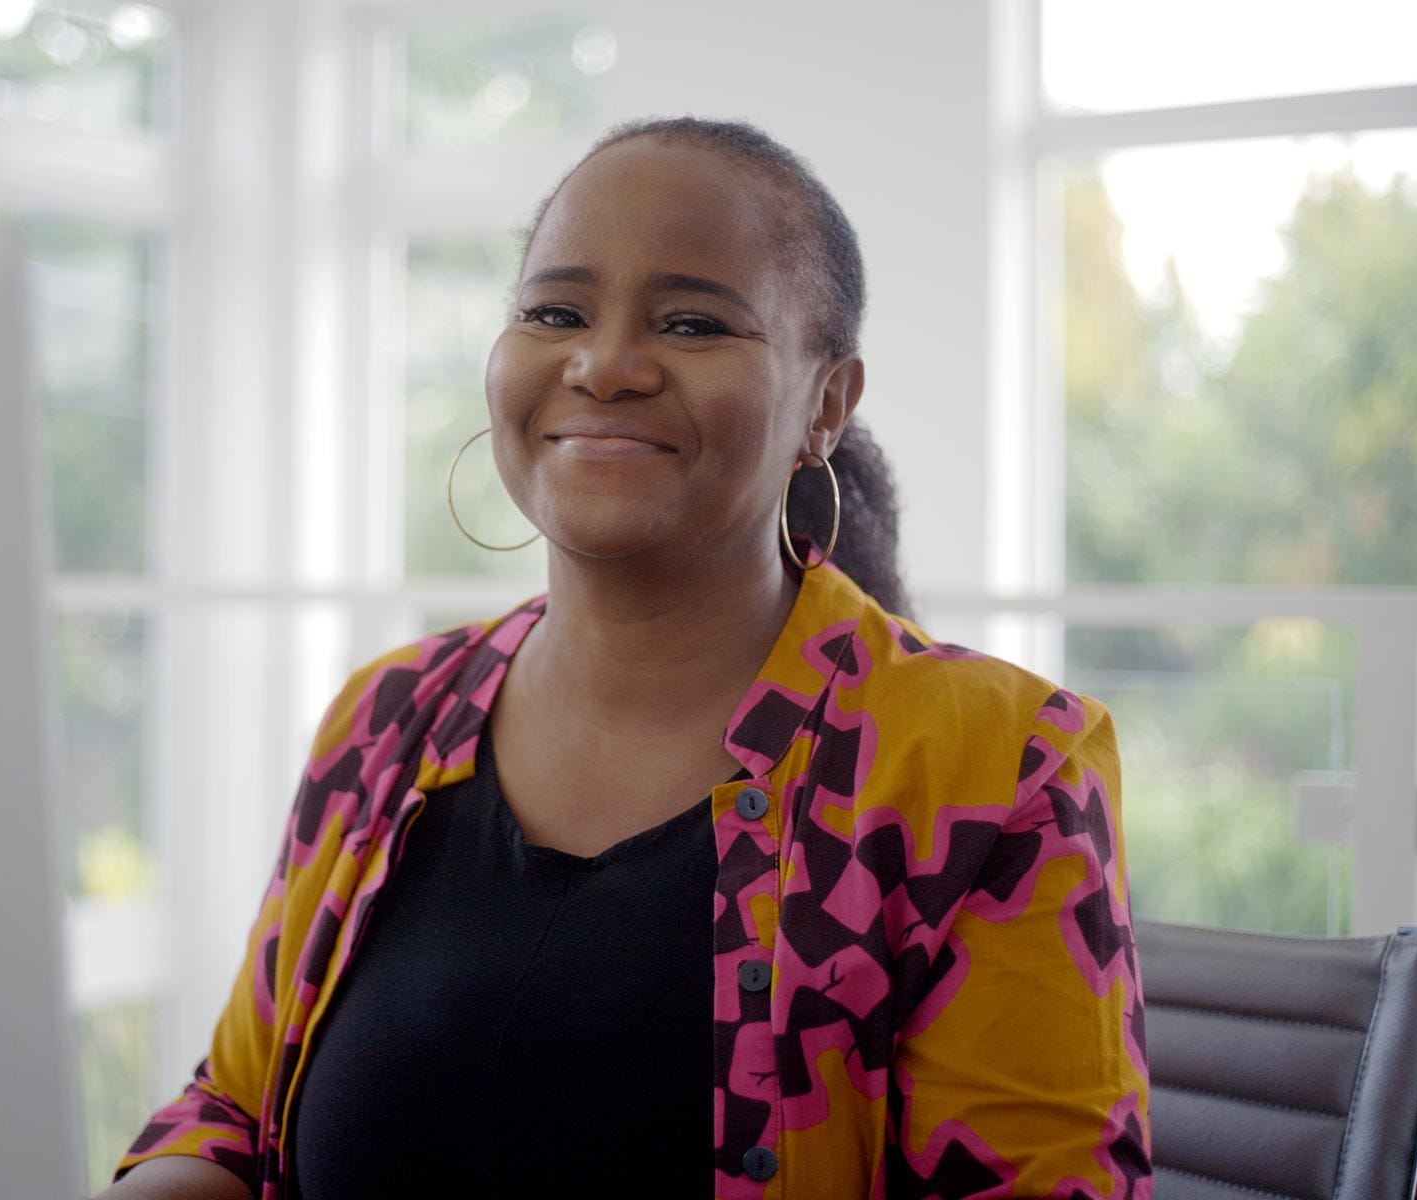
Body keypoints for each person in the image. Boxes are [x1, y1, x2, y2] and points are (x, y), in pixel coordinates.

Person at [99, 116, 1151, 1200]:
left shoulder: (997, 767)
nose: (602, 365)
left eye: (693, 323)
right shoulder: (388, 720)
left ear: (827, 403)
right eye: (554, 312)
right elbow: (231, 1113)